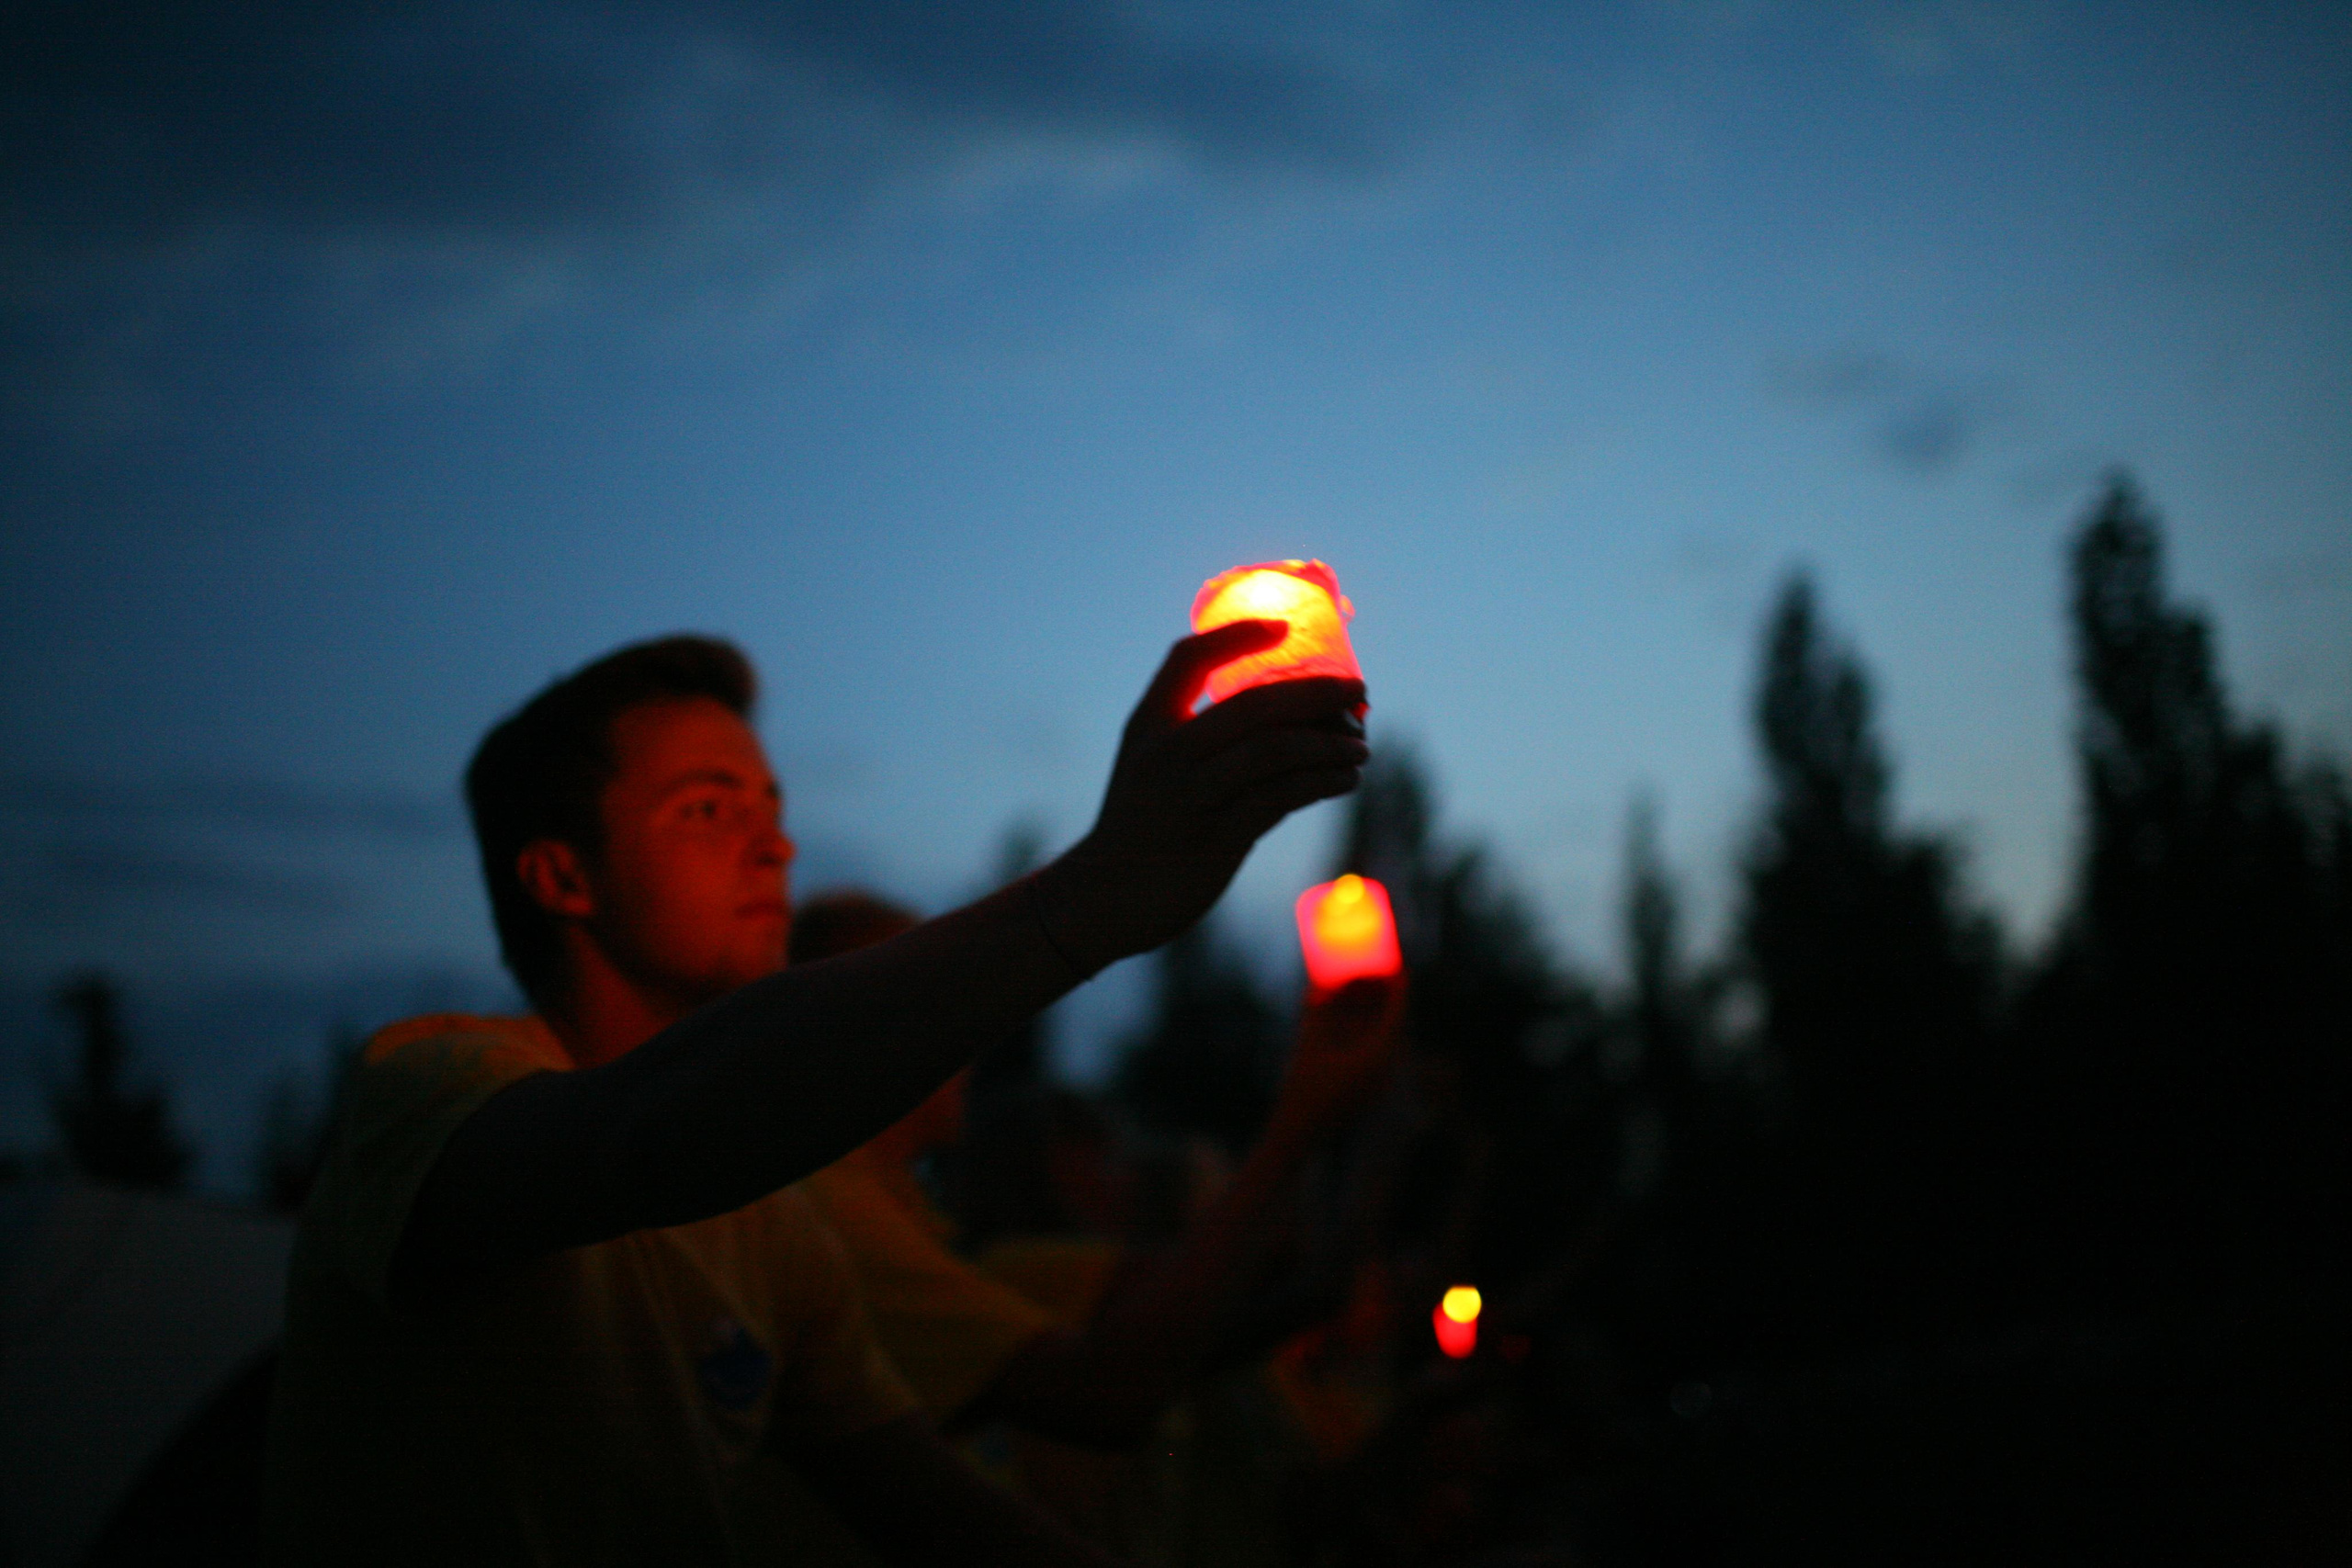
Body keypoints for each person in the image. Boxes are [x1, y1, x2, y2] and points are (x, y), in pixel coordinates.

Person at [261, 623, 1368, 1566]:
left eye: (773, 805)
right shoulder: (427, 1088)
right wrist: (1089, 898)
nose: (775, 844)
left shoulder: (778, 1234)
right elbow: (642, 1136)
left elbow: (947, 1521)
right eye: (708, 810)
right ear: (562, 876)